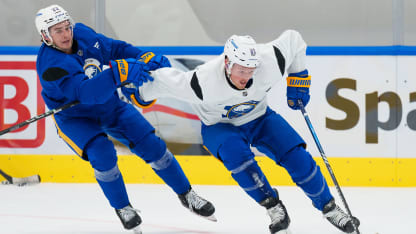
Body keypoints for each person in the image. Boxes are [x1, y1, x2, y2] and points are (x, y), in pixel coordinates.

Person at [130, 31, 361, 233]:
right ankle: (273, 207)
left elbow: (294, 40)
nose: (246, 76)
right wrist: (138, 91)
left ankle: (329, 208)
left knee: (298, 158)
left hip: (259, 118)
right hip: (218, 127)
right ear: (227, 62)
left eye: (251, 70)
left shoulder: (270, 60)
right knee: (237, 158)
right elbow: (162, 81)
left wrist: (298, 78)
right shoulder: (202, 81)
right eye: (241, 70)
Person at [34, 4, 216, 233]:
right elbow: (87, 94)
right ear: (45, 35)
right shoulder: (50, 64)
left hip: (108, 104)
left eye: (66, 27)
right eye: (57, 30)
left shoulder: (83, 34)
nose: (65, 34)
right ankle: (123, 208)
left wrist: (142, 56)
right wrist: (118, 73)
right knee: (102, 153)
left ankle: (187, 194)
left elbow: (115, 49)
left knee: (153, 146)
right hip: (75, 116)